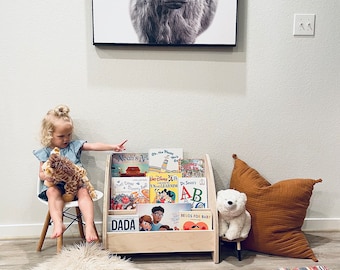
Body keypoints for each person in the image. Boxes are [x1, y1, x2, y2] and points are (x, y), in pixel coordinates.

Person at [33, 105, 126, 242]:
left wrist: (113, 147)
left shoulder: (73, 146)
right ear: (49, 135)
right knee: (51, 193)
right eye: (61, 136)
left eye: (69, 135)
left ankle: (89, 225)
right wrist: (48, 176)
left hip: (76, 184)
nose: (66, 139)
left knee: (84, 192)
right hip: (56, 184)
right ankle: (58, 222)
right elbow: (41, 174)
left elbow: (94, 146)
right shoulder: (46, 152)